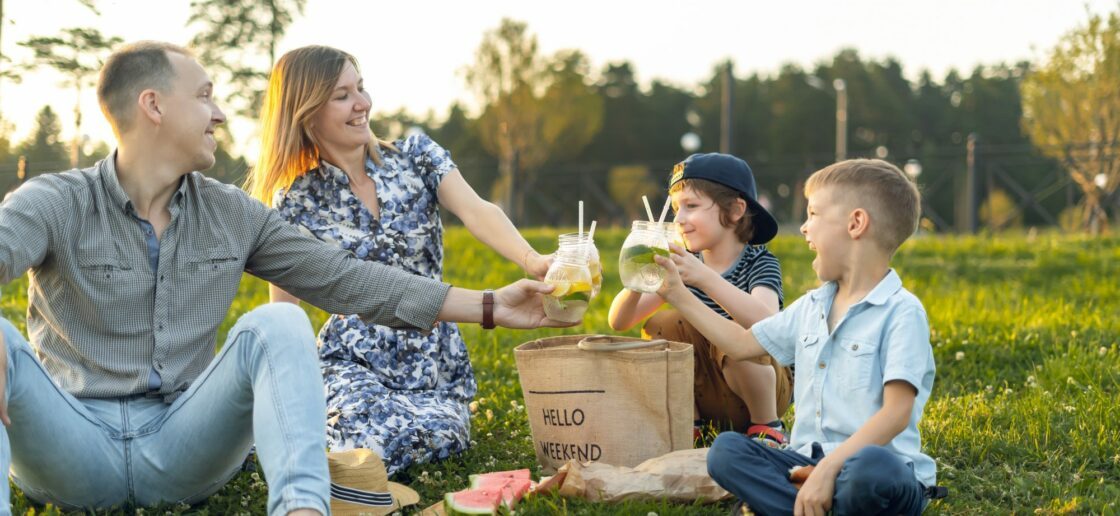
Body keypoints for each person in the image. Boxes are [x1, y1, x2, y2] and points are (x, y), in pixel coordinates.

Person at [0, 41, 568, 516]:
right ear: (153, 106)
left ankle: (302, 509)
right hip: (71, 448)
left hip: (183, 447)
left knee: (279, 321)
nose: (220, 114)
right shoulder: (55, 201)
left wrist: (494, 305)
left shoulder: (233, 214)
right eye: (204, 97)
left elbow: (352, 281)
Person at [244, 45, 552, 476]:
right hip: (350, 358)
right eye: (342, 95)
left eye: (361, 88)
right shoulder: (296, 201)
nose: (362, 103)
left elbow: (478, 211)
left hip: (431, 357)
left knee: (432, 435)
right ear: (307, 112)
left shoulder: (417, 157)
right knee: (362, 433)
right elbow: (285, 313)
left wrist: (532, 259)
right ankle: (298, 439)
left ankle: (319, 449)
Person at [656, 159, 938, 515]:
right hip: (805, 463)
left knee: (870, 469)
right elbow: (743, 345)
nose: (804, 228)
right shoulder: (812, 307)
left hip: (875, 472)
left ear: (856, 223)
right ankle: (809, 504)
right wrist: (679, 294)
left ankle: (789, 502)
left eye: (814, 214)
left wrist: (830, 470)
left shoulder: (901, 312)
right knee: (727, 451)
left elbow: (897, 414)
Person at [607, 153, 792, 445]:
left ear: (734, 210)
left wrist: (702, 278)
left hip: (759, 393)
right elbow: (619, 321)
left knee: (740, 335)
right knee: (662, 324)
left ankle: (768, 428)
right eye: (676, 209)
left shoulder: (760, 263)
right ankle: (689, 425)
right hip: (708, 395)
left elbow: (768, 323)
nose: (679, 220)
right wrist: (637, 277)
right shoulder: (682, 263)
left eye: (691, 206)